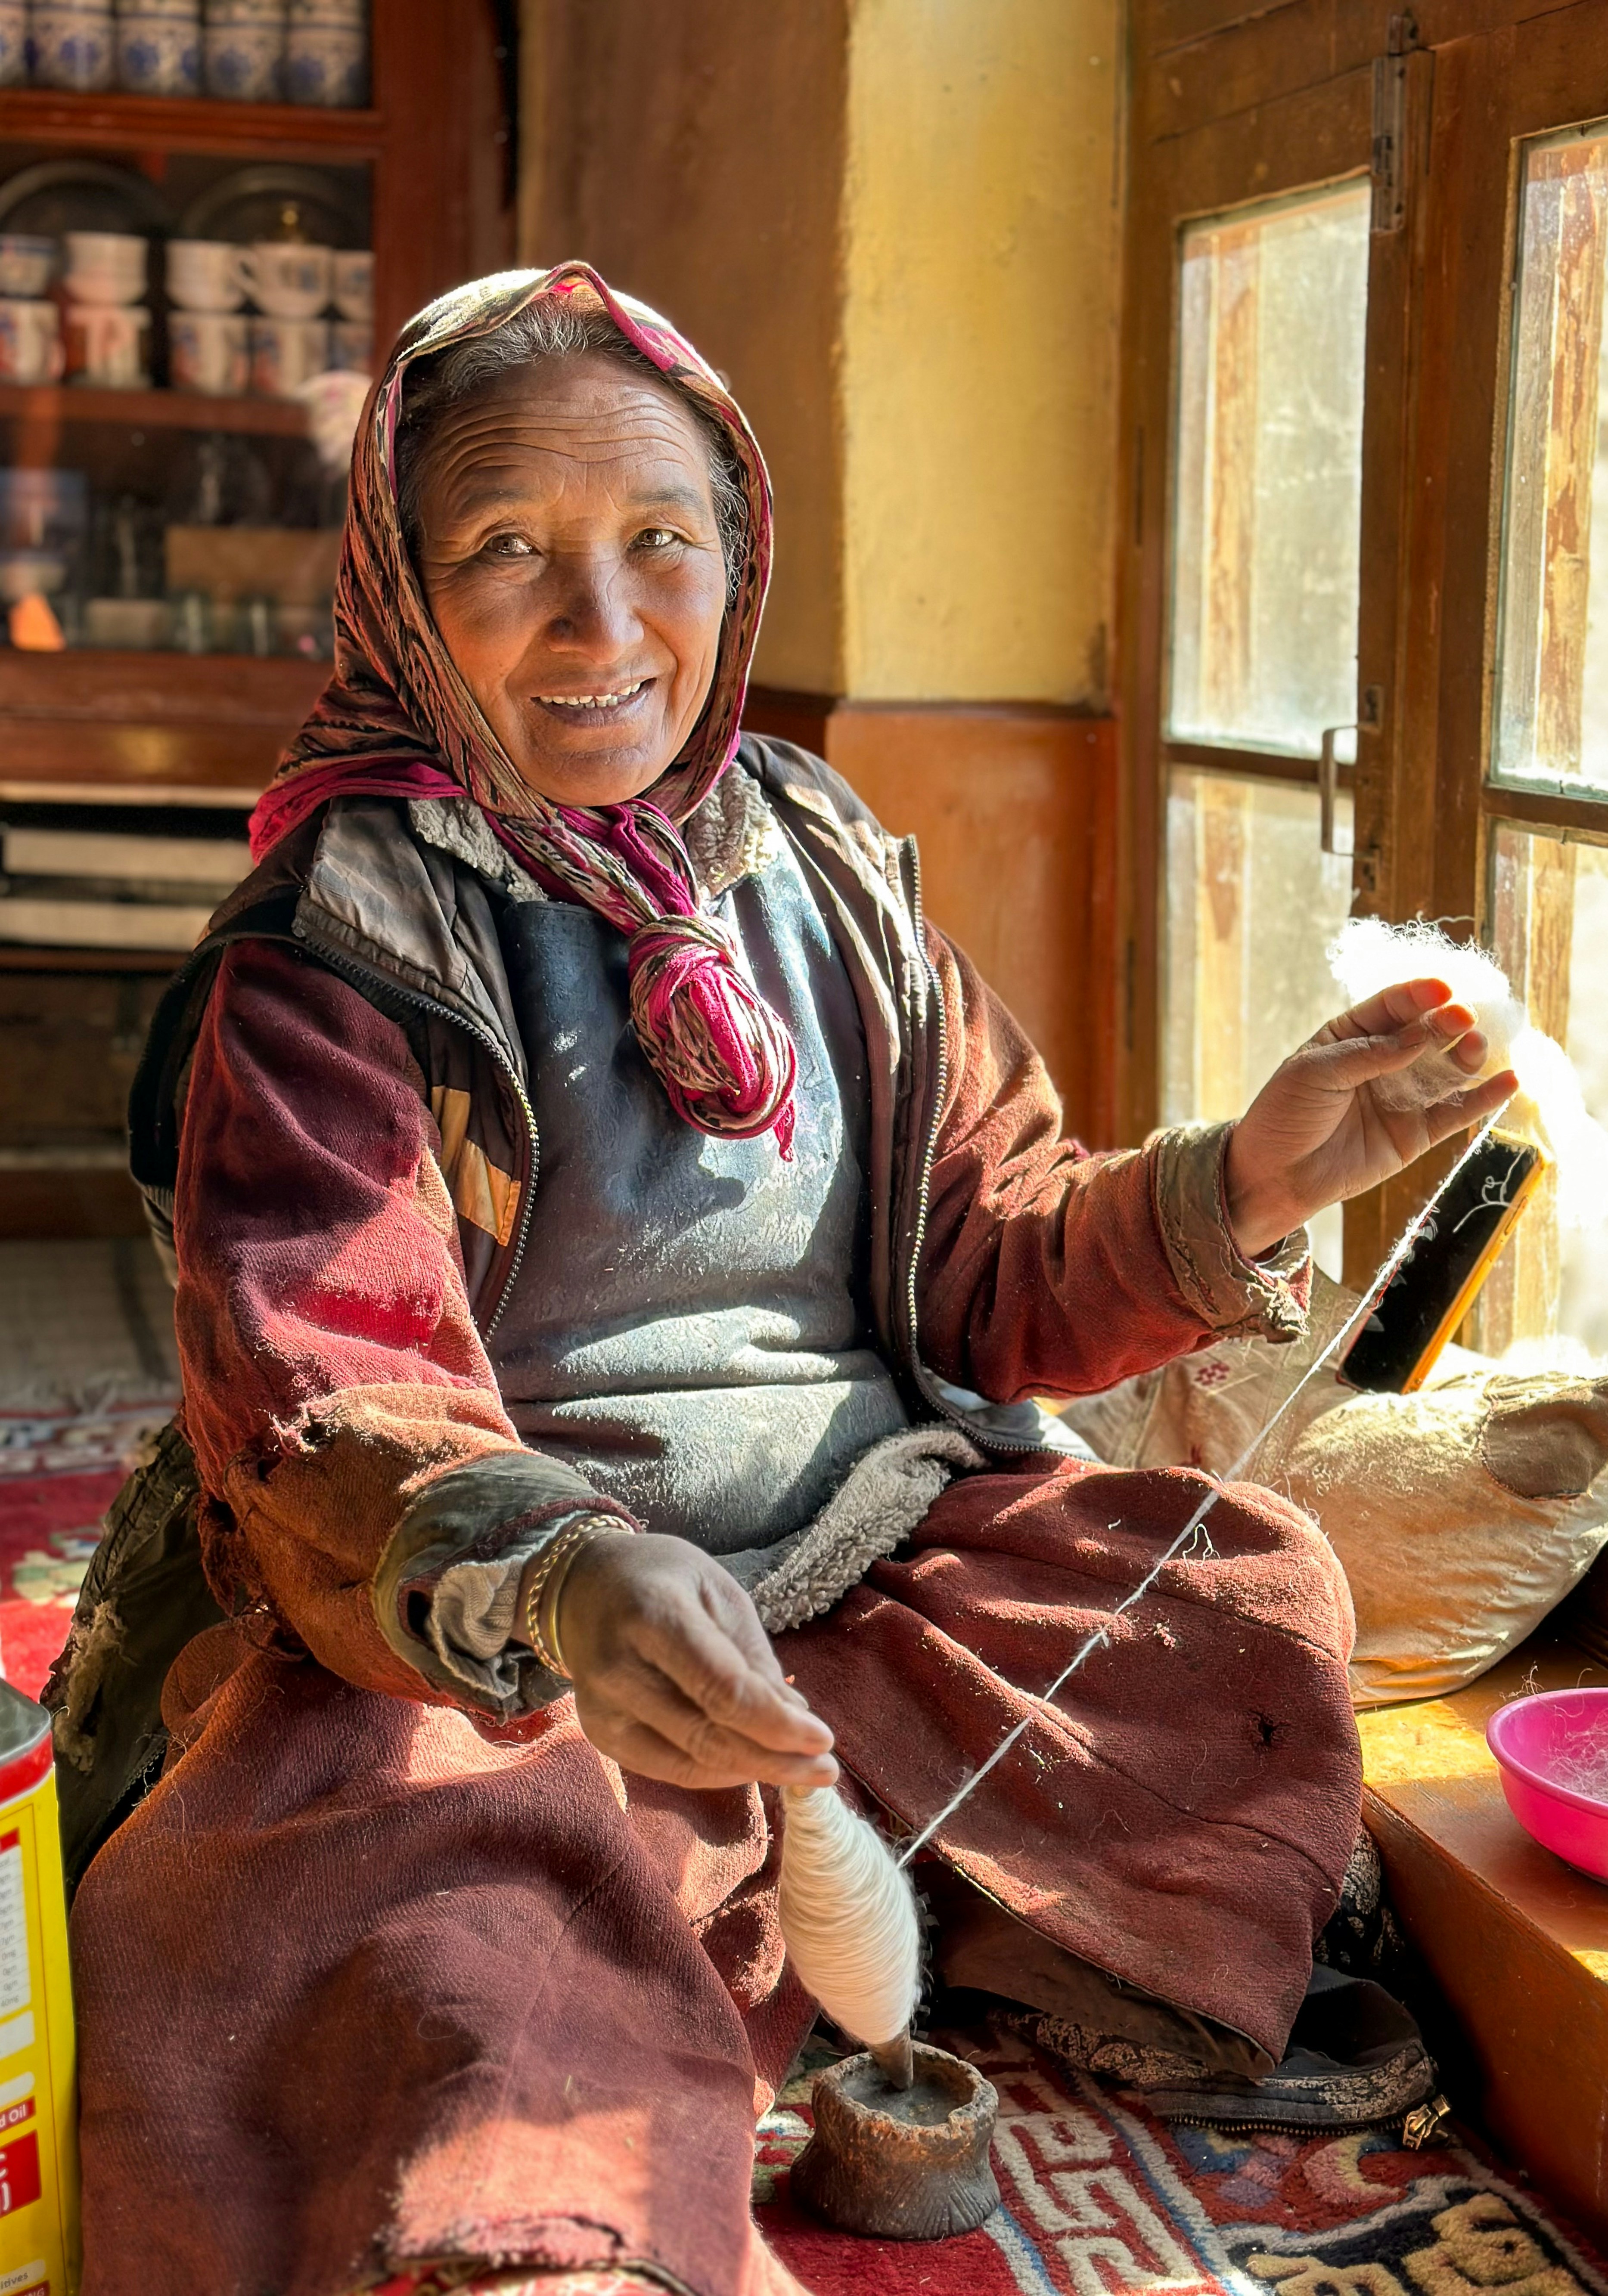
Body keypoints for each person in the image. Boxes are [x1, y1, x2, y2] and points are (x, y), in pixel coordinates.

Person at [60, 264, 1513, 2296]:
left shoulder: (821, 861)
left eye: (661, 539)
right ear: (399, 593)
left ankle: (750, 1898)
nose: (603, 622)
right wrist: (562, 1574)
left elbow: (996, 1263)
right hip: (512, 1638)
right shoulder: (336, 951)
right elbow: (329, 1379)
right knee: (403, 1874)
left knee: (1228, 1587)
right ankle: (583, 2136)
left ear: (737, 561)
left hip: (865, 1563)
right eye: (506, 553)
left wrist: (1255, 1172)